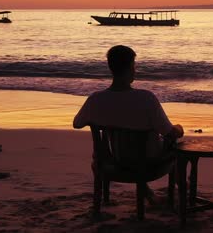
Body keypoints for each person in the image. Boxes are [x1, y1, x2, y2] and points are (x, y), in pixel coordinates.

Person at [73, 45, 184, 201]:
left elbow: (77, 123)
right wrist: (179, 129)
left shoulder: (96, 99)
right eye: (134, 66)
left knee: (125, 147)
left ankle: (142, 190)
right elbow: (169, 133)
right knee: (175, 146)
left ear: (111, 68)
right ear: (131, 67)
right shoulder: (146, 98)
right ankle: (182, 190)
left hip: (117, 159)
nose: (135, 70)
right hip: (149, 164)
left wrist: (106, 118)